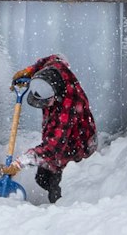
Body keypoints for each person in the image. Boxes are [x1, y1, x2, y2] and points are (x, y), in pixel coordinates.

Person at [11, 55, 96, 204]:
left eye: (46, 102)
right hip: (61, 138)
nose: (44, 106)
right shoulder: (56, 69)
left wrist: (20, 163)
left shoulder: (67, 108)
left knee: (56, 185)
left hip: (76, 145)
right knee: (41, 178)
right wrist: (31, 70)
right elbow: (55, 58)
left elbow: (52, 148)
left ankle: (63, 207)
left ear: (55, 95)